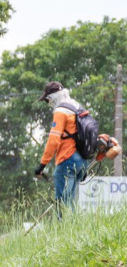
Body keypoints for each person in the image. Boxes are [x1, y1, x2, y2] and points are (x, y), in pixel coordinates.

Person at [33, 82, 87, 211]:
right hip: (82, 160)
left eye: (47, 100)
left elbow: (53, 140)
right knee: (70, 201)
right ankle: (72, 230)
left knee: (62, 204)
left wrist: (42, 165)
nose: (48, 103)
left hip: (67, 159)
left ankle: (64, 229)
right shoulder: (78, 107)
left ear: (53, 97)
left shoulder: (61, 111)